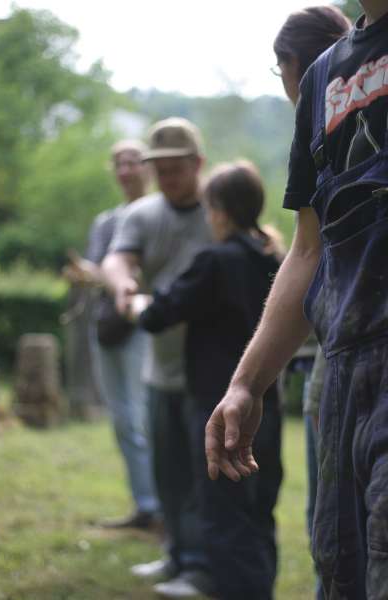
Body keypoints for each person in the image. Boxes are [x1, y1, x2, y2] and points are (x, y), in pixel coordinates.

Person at [205, 2, 388, 599]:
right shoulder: (321, 77)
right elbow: (309, 250)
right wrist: (246, 384)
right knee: (340, 570)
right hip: (343, 367)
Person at [130, 160, 284, 600]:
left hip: (221, 406)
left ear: (217, 210)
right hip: (266, 404)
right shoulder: (273, 257)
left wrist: (133, 303)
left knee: (223, 511)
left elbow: (159, 314)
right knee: (259, 509)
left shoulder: (215, 260)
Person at [102, 118, 214, 598]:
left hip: (209, 368)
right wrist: (123, 284)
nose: (166, 179)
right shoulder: (143, 214)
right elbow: (118, 258)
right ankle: (174, 556)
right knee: (167, 471)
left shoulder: (219, 211)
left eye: (175, 169)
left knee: (199, 474)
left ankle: (201, 566)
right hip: (158, 365)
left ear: (197, 164)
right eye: (159, 170)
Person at [272, 7, 351, 598]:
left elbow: (308, 249)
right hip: (338, 338)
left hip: (346, 346)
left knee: (335, 524)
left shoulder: (327, 112)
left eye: (278, 69)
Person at [64, 139, 160, 530]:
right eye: (119, 163)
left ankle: (165, 509)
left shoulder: (158, 214)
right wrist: (91, 275)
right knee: (122, 420)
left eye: (133, 162)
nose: (126, 170)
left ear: (147, 167)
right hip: (106, 327)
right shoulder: (105, 221)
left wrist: (100, 274)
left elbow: (141, 277)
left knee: (144, 419)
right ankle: (146, 506)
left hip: (143, 328)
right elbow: (110, 277)